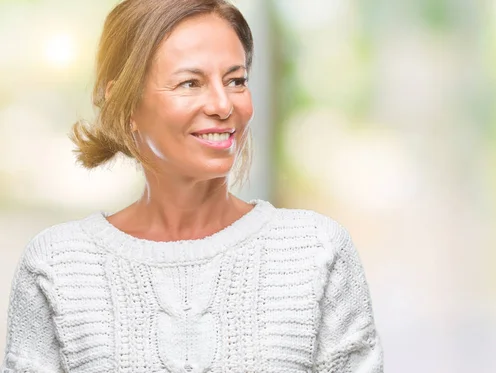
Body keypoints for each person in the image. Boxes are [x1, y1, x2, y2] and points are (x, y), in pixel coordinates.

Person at [1, 0, 384, 371]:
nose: (223, 104)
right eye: (190, 83)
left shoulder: (316, 251)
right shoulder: (56, 266)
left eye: (236, 80)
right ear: (123, 100)